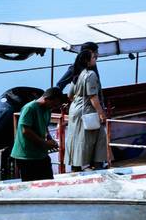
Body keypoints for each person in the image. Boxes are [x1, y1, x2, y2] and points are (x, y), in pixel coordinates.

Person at [65, 42, 111, 171]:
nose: (95, 58)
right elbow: (93, 97)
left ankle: (76, 167)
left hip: (75, 109)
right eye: (93, 57)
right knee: (98, 138)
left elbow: (70, 95)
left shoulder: (77, 74)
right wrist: (101, 113)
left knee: (77, 140)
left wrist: (79, 102)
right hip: (87, 110)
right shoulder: (90, 74)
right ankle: (98, 166)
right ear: (87, 60)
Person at [10, 87, 64, 182]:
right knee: (31, 185)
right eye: (53, 104)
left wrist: (49, 139)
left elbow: (44, 125)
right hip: (26, 155)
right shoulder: (30, 108)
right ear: (46, 99)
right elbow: (25, 130)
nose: (54, 107)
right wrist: (45, 144)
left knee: (48, 182)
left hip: (41, 154)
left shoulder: (47, 109)